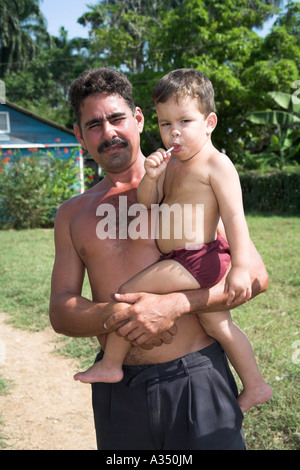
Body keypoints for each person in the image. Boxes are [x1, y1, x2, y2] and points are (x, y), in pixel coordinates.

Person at [49, 67, 269, 450]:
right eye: (95, 124)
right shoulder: (72, 213)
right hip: (121, 392)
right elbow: (61, 310)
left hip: (197, 377)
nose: (110, 132)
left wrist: (176, 305)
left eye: (117, 118)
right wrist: (123, 316)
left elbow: (255, 277)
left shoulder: (186, 180)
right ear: (80, 136)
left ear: (137, 119)